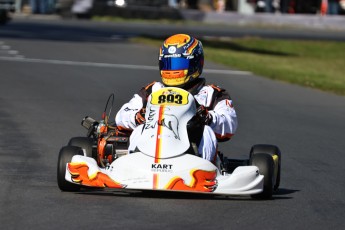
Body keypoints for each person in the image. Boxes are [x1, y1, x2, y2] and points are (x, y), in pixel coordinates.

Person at [115, 34, 238, 164]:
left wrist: (208, 118)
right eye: (168, 64)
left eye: (178, 63)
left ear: (196, 63)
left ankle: (202, 170)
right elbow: (122, 115)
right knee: (139, 129)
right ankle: (134, 164)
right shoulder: (152, 90)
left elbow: (230, 123)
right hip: (150, 150)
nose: (172, 70)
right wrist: (136, 116)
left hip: (191, 153)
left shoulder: (211, 94)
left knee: (206, 131)